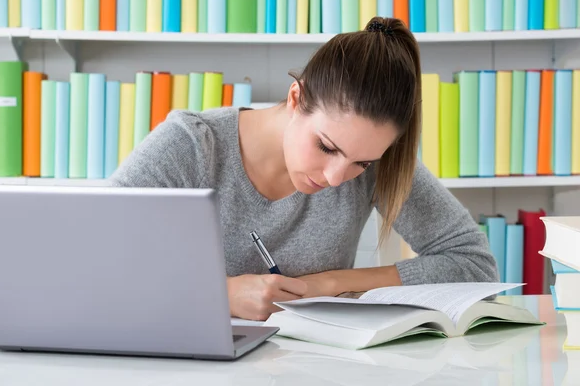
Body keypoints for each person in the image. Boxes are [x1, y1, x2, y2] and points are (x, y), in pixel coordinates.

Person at [109, 16, 499, 321]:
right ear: (296, 97)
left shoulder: (376, 159)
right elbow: (92, 261)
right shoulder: (192, 145)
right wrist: (218, 294)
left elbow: (475, 265)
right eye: (326, 147)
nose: (335, 178)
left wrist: (332, 284)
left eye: (361, 163)